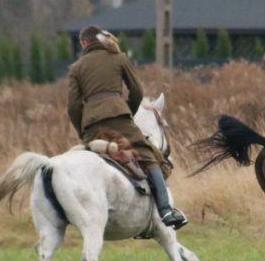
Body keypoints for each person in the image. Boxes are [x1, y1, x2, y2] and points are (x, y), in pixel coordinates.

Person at [67, 25, 188, 229]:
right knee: (149, 155)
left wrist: (83, 132)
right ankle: (166, 211)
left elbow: (72, 106)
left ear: (83, 43)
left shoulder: (76, 67)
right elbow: (137, 91)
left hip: (91, 124)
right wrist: (127, 114)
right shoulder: (119, 58)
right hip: (119, 118)